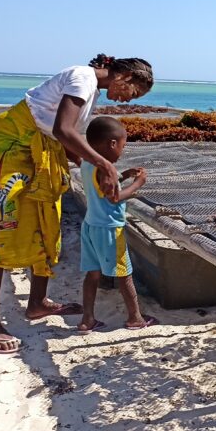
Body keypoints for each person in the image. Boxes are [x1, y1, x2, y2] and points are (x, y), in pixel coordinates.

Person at [0, 54, 154, 353]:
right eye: (133, 93)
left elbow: (61, 137)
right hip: (5, 148)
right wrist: (104, 164)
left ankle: (37, 302)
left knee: (44, 222)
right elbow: (63, 130)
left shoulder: (90, 90)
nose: (128, 101)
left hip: (37, 150)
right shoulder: (82, 78)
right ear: (125, 77)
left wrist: (91, 165)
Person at [77, 117, 155, 332]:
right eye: (122, 146)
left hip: (90, 226)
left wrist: (123, 175)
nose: (122, 151)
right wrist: (137, 184)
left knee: (92, 274)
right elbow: (114, 197)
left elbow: (102, 187)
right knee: (124, 274)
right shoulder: (105, 168)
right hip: (109, 229)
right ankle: (135, 318)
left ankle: (87, 319)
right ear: (112, 144)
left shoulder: (87, 163)